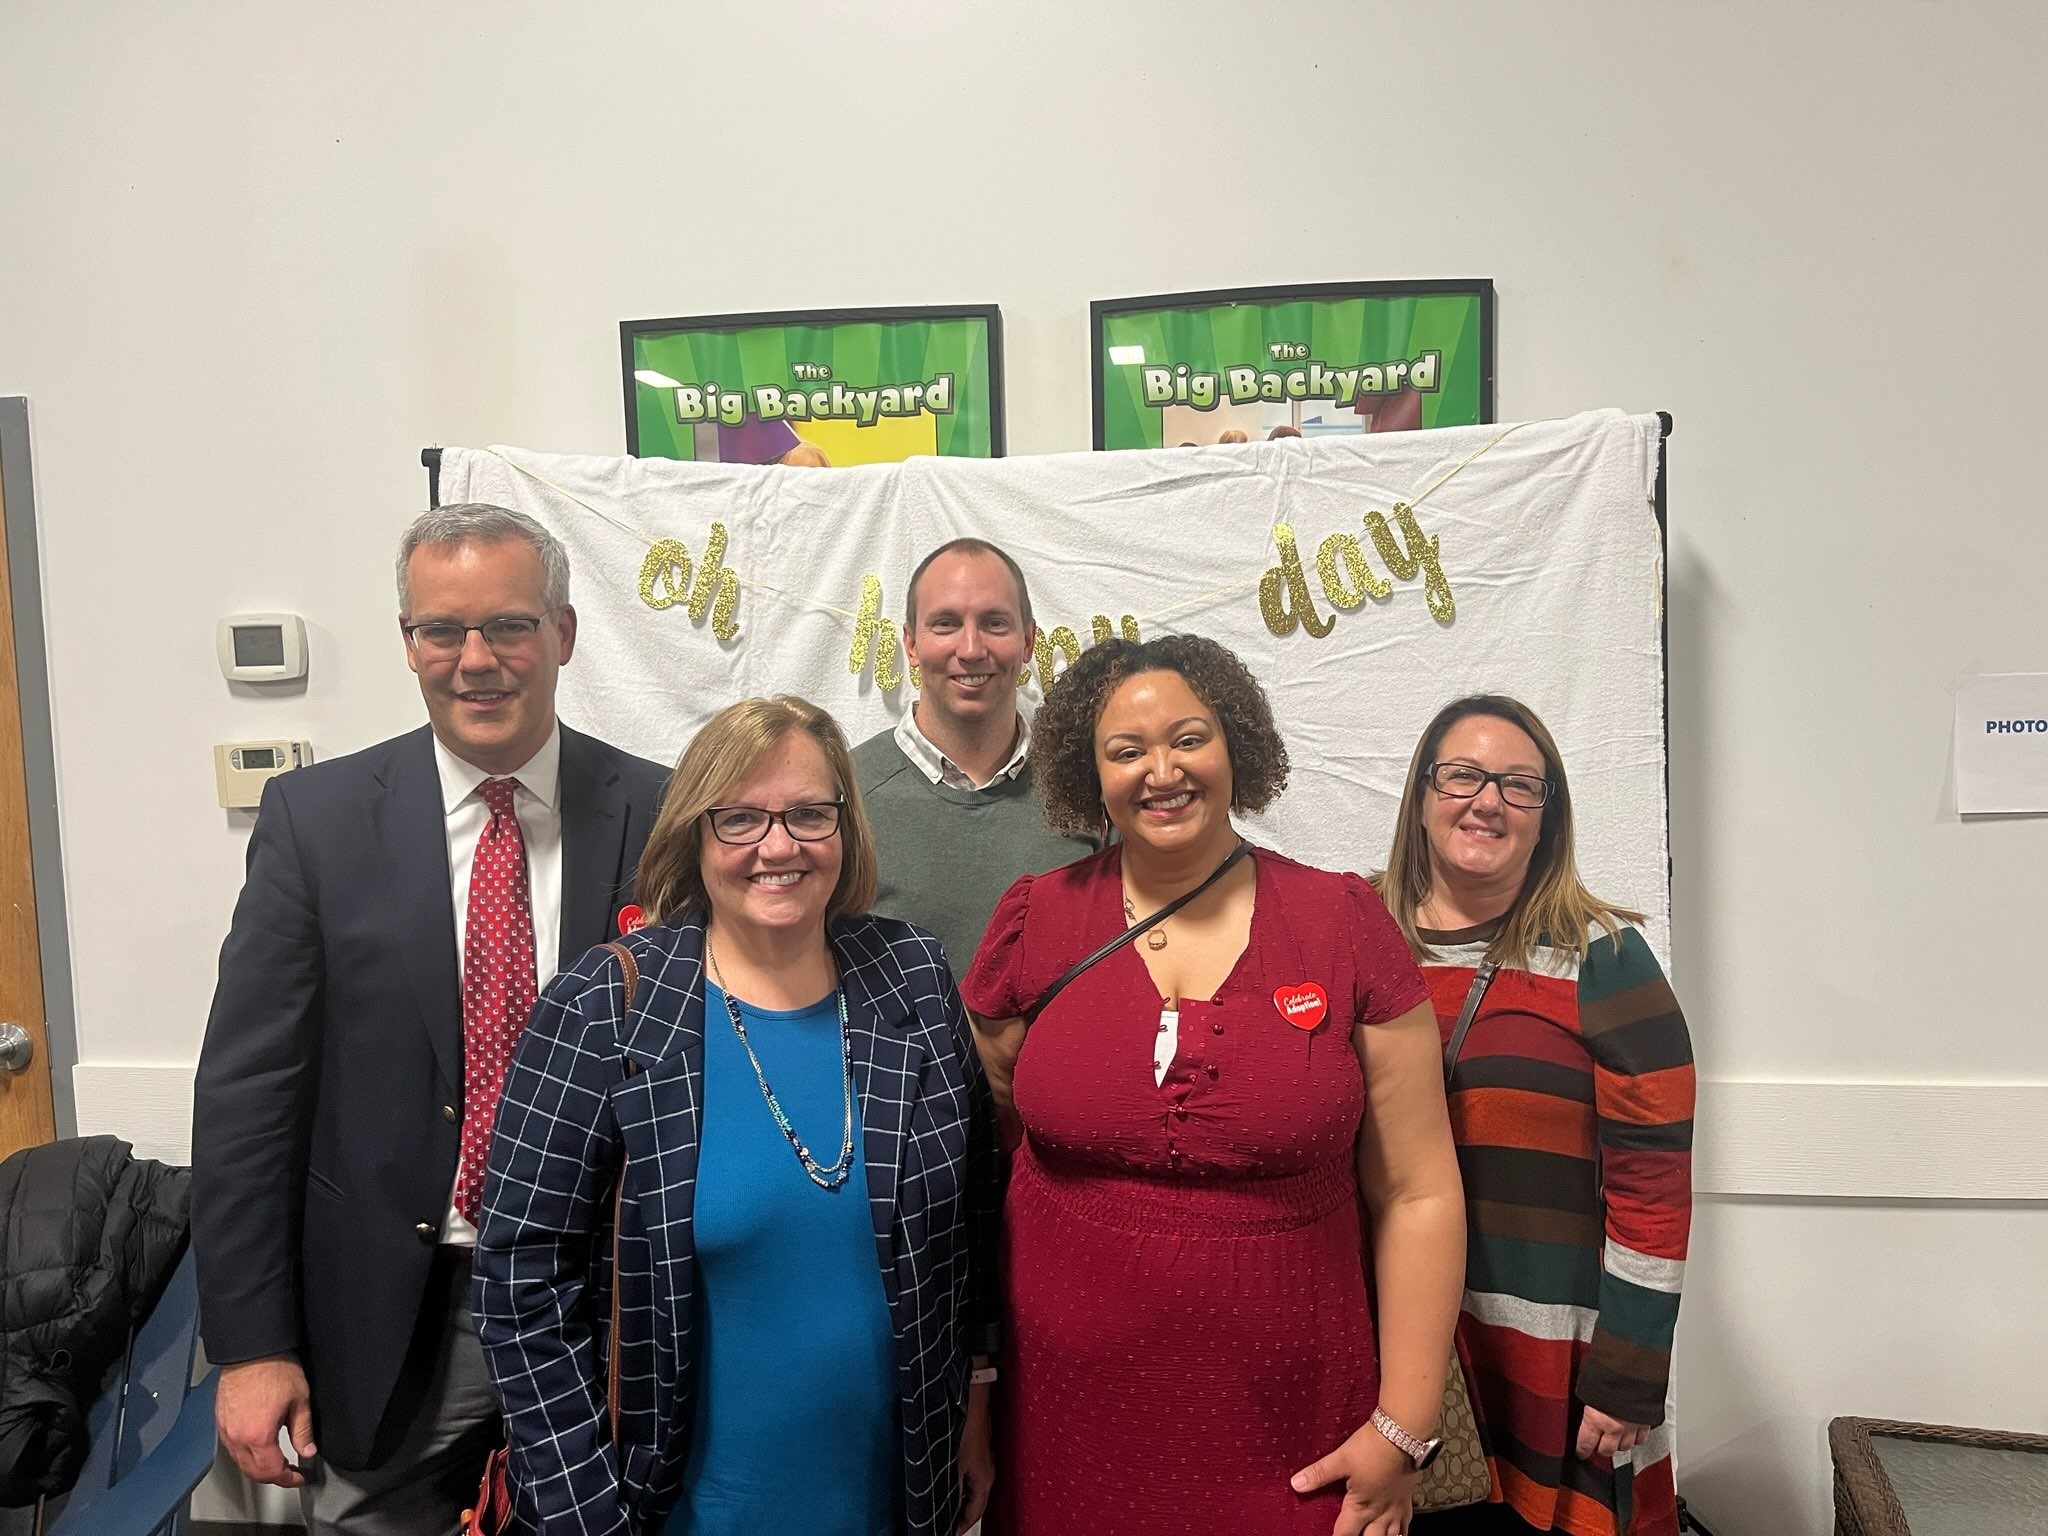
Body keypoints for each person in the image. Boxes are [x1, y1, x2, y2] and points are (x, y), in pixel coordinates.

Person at [190, 503, 670, 1535]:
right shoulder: (315, 823)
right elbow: (248, 1100)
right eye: (440, 631)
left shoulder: (658, 813)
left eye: (507, 625)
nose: (475, 659)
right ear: (407, 643)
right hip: (392, 1310)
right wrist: (250, 1344)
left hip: (606, 1305)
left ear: (563, 635)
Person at [963, 635, 1466, 1536]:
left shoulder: (1341, 922)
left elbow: (1418, 1190)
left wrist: (1405, 1427)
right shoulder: (1037, 917)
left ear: (1236, 743)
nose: (1162, 771)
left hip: (1298, 1430)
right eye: (1126, 751)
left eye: (1188, 738)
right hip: (1061, 1427)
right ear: (1091, 772)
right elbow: (983, 1145)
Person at [473, 696, 998, 1536]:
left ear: (846, 828)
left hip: (898, 1493)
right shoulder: (607, 1006)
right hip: (670, 1507)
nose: (779, 845)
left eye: (808, 815)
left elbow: (969, 1218)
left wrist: (976, 1392)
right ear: (696, 834)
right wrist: (584, 1516)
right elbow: (520, 1284)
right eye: (741, 819)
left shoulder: (912, 976)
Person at [1380, 696, 1695, 1536]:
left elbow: (1654, 1184)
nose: (1488, 801)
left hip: (1544, 1356)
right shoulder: (1354, 936)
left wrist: (1627, 1374)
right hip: (1386, 1343)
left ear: (1547, 819)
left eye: (1521, 786)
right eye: (1464, 775)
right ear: (1422, 792)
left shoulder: (1606, 958)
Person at [852, 538, 1093, 978]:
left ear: (1028, 642)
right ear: (910, 644)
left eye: (994, 624)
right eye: (945, 624)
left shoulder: (1088, 788)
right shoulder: (844, 793)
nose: (970, 649)